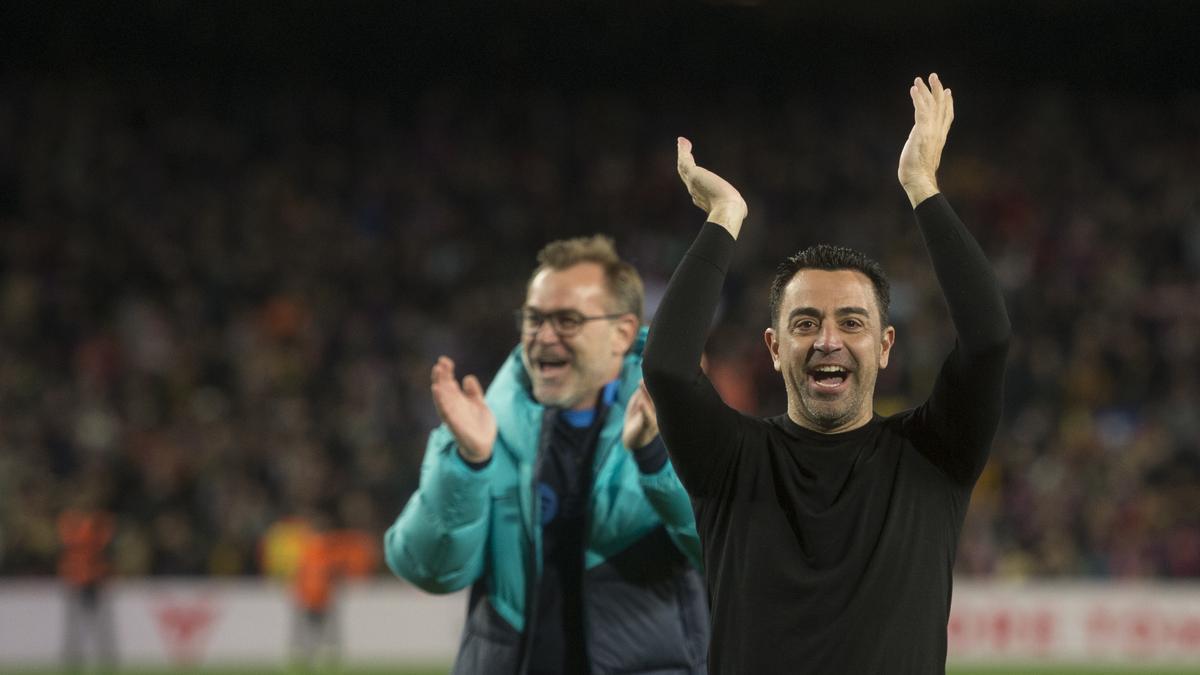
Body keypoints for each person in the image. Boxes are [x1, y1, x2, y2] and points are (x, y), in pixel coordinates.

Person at [642, 74, 1011, 673]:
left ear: (886, 345)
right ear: (774, 347)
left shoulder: (934, 455)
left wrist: (922, 185)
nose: (829, 340)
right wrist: (725, 216)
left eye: (852, 322)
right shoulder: (729, 461)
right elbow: (664, 366)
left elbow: (990, 339)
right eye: (806, 323)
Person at [385, 235, 708, 674]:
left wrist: (653, 458)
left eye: (568, 320)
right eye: (534, 319)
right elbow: (426, 569)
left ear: (623, 332)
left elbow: (724, 553)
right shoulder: (486, 424)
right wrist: (466, 462)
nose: (544, 337)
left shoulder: (679, 416)